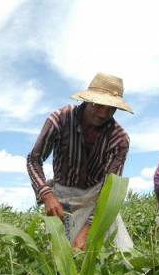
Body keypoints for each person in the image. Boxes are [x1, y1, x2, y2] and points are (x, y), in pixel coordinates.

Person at [26, 72, 134, 251]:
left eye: (110, 108)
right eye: (98, 105)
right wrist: (47, 195)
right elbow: (34, 160)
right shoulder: (60, 119)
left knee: (120, 256)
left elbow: (110, 190)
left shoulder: (119, 139)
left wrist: (89, 228)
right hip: (61, 198)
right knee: (61, 260)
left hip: (96, 199)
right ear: (87, 100)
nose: (103, 113)